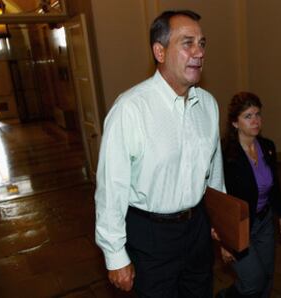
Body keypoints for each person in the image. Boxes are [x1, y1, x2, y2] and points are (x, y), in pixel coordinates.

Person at [95, 10, 225, 297]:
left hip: (197, 229)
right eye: (187, 43)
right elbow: (110, 188)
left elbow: (214, 171)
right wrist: (115, 255)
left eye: (202, 43)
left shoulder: (208, 104)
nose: (199, 53)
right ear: (160, 51)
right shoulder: (130, 109)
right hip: (150, 235)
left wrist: (220, 220)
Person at [216, 92, 281, 298]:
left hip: (264, 221)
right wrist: (225, 241)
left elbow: (275, 186)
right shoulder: (225, 154)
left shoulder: (268, 147)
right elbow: (220, 201)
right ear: (235, 122)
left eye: (257, 114)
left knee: (266, 276)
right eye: (248, 116)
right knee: (252, 282)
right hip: (239, 226)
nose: (255, 120)